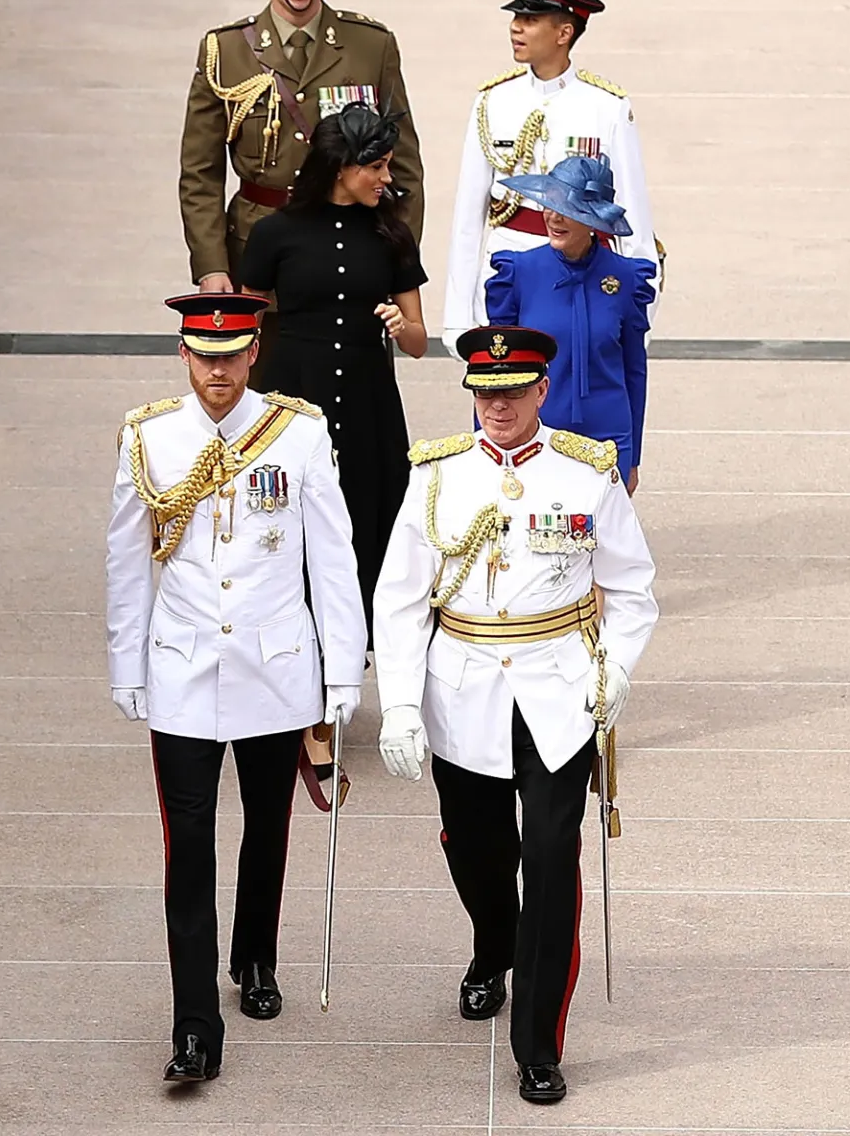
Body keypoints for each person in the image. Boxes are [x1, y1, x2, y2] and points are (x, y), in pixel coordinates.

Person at [370, 326, 659, 1106]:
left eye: (512, 392)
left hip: (557, 694)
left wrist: (615, 669)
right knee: (477, 851)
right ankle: (493, 944)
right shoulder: (436, 476)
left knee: (551, 859)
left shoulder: (586, 474)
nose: (496, 406)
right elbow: (399, 600)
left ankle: (536, 1044)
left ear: (540, 391)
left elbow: (632, 590)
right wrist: (399, 703)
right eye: (484, 393)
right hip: (462, 689)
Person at [105, 292, 366, 1084]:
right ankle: (193, 1027)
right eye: (203, 356)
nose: (216, 370)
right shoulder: (150, 436)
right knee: (187, 848)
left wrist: (341, 668)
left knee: (266, 824)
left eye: (230, 355)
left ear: (253, 353)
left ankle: (255, 955)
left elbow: (332, 558)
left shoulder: (299, 432)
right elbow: (126, 557)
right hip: (182, 666)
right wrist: (126, 663)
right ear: (183, 356)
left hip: (274, 665)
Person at [179, 0, 425, 388]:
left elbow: (404, 168)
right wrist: (211, 266)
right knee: (263, 403)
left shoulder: (369, 45)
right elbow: (200, 173)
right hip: (261, 263)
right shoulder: (227, 51)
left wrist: (393, 262)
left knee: (351, 399)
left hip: (352, 254)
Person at [241, 101, 428, 627]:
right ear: (342, 167)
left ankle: (359, 638)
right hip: (294, 394)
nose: (386, 178)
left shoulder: (392, 235)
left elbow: (418, 342)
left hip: (370, 398)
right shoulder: (275, 233)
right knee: (288, 515)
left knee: (370, 513)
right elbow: (243, 329)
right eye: (376, 167)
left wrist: (401, 325)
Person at [443, 0, 661, 353]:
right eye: (515, 18)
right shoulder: (493, 101)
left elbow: (632, 215)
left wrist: (641, 308)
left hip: (583, 271)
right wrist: (458, 319)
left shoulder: (606, 107)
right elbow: (467, 219)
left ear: (564, 33)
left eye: (530, 20)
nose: (516, 28)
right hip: (508, 272)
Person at [486, 154, 652, 493]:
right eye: (550, 203)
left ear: (593, 219)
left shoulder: (627, 278)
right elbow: (494, 369)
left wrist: (633, 455)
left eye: (568, 207)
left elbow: (634, 371)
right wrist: (487, 445)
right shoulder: (519, 273)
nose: (553, 216)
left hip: (609, 440)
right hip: (536, 437)